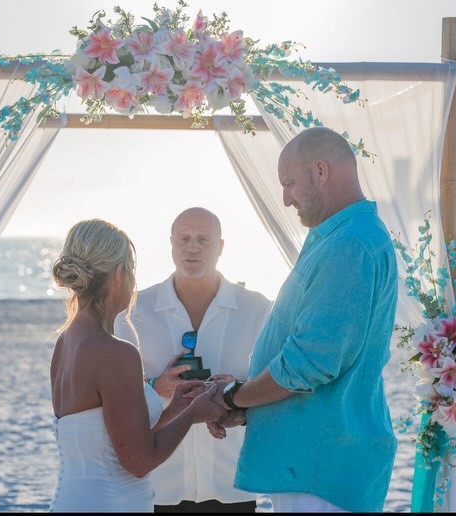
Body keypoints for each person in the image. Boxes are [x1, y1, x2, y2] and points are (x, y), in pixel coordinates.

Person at [208, 126, 399, 512]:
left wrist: (234, 398)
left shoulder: (349, 244)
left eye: (289, 183)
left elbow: (309, 362)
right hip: (314, 462)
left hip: (322, 467)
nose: (285, 198)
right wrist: (246, 402)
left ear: (321, 171)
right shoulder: (339, 236)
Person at [48, 219, 227, 513]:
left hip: (70, 500)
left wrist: (173, 410)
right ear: (119, 274)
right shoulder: (115, 352)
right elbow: (139, 461)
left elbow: (108, 439)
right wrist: (196, 411)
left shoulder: (64, 345)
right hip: (110, 504)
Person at [114, 207, 272, 513]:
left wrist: (236, 390)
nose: (193, 247)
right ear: (171, 244)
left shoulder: (257, 308)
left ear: (221, 247)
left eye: (204, 239)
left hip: (233, 483)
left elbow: (274, 382)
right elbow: (117, 394)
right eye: (184, 238)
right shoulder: (134, 312)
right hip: (161, 484)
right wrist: (155, 385)